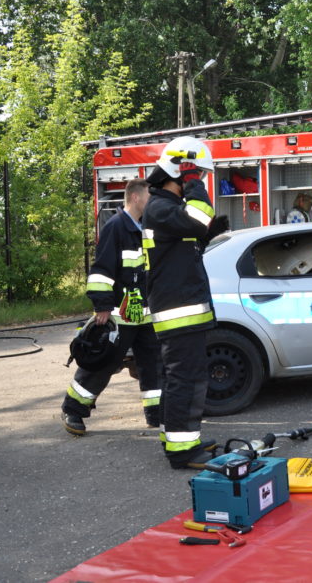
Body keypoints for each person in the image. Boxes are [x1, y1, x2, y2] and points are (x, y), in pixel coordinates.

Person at [143, 136, 228, 470]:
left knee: (180, 378)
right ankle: (182, 450)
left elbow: (192, 232)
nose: (201, 181)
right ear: (179, 171)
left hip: (179, 308)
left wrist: (206, 234)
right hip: (179, 312)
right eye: (197, 176)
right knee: (187, 379)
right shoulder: (162, 207)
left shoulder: (164, 209)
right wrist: (194, 183)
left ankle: (179, 437)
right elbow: (199, 215)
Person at [61, 179, 162, 436]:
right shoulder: (116, 228)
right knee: (104, 363)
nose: (154, 201)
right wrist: (103, 306)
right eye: (150, 196)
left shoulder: (146, 228)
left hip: (146, 314)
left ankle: (157, 416)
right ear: (137, 198)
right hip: (122, 314)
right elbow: (101, 271)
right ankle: (74, 410)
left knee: (153, 366)